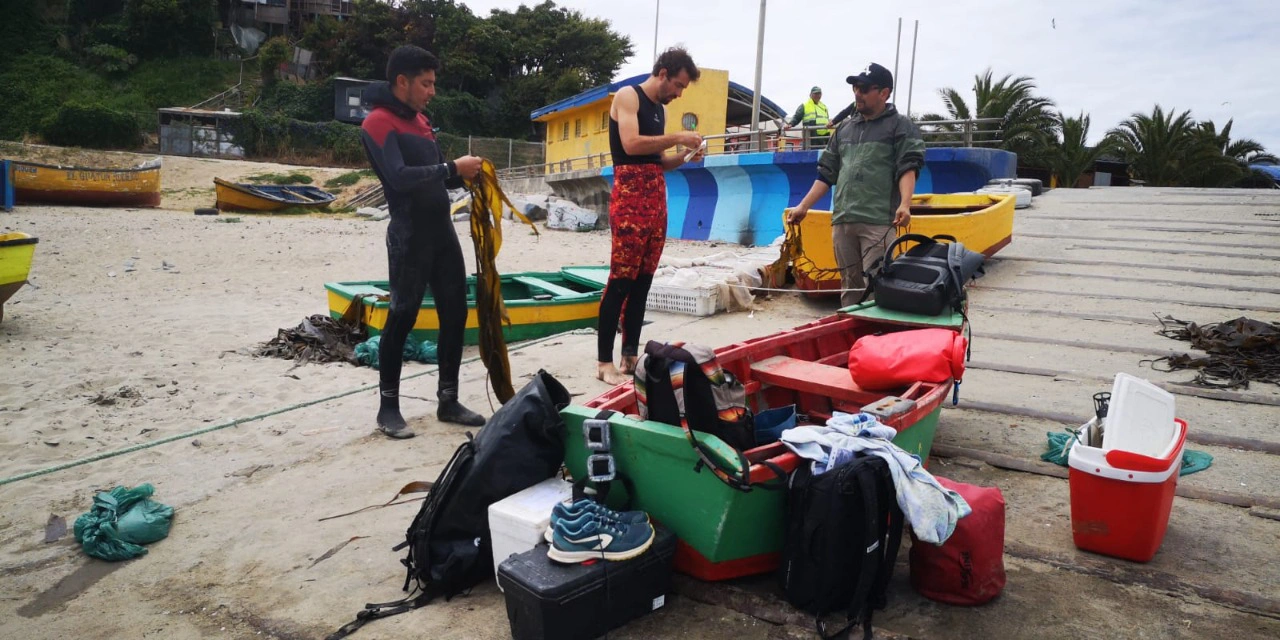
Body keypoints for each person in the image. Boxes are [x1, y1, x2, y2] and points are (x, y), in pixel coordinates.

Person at [359, 45, 486, 439]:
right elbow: (398, 177)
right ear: (402, 81)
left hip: (442, 233)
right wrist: (451, 167)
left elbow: (438, 177)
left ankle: (448, 400)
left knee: (455, 314)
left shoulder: (421, 122)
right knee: (402, 315)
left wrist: (464, 174)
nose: (432, 91)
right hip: (409, 234)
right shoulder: (377, 123)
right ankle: (388, 408)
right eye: (426, 83)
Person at [596, 47, 704, 385]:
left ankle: (630, 354)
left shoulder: (659, 110)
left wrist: (685, 156)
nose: (679, 93)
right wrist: (677, 137)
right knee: (620, 280)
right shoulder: (628, 97)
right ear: (662, 74)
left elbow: (657, 160)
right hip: (630, 198)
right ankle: (604, 362)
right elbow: (630, 145)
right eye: (678, 85)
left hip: (655, 198)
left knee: (643, 281)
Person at [786, 62, 925, 308]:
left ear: (884, 93)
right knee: (850, 287)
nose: (857, 93)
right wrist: (803, 206)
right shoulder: (844, 129)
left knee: (877, 286)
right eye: (855, 88)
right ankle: (853, 338)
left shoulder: (900, 126)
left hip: (878, 223)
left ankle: (876, 338)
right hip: (843, 222)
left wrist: (905, 204)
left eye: (864, 88)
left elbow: (908, 166)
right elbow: (827, 173)